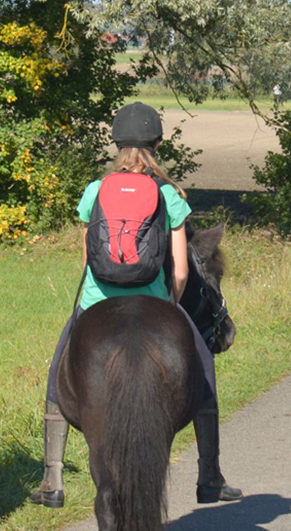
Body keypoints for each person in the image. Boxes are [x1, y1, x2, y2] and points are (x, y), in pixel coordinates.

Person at [29, 103, 242, 507]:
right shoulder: (169, 194)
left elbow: (88, 256)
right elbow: (180, 270)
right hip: (154, 300)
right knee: (203, 368)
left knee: (59, 370)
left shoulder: (96, 191)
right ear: (157, 144)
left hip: (96, 301)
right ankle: (210, 474)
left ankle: (51, 480)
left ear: (117, 143)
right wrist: (168, 306)